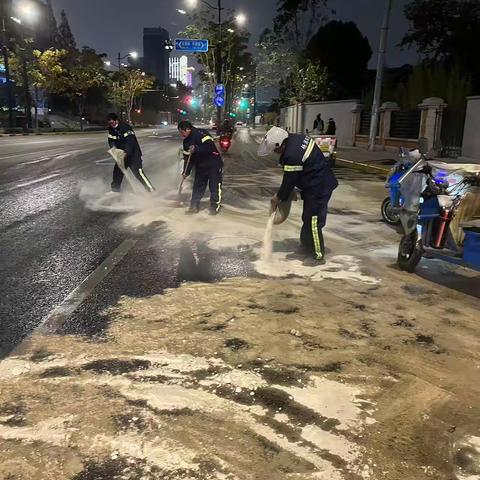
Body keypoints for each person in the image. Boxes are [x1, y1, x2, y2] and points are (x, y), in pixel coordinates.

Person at [258, 127, 338, 264]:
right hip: (313, 183)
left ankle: (317, 255)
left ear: (281, 144)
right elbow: (300, 170)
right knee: (307, 217)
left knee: (313, 221)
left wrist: (278, 197)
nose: (275, 152)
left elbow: (289, 180)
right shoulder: (295, 138)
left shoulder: (291, 154)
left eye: (275, 149)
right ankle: (306, 247)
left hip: (319, 187)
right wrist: (293, 189)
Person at [178, 120, 223, 215]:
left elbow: (210, 147)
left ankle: (214, 207)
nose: (181, 134)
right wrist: (186, 171)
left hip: (213, 163)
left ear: (188, 129)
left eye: (182, 132)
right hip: (200, 165)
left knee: (214, 186)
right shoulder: (186, 142)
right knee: (198, 186)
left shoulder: (201, 133)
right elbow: (188, 158)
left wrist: (196, 149)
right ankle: (194, 206)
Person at [106, 113, 155, 193]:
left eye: (112, 123)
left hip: (133, 155)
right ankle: (115, 190)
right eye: (109, 123)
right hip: (122, 156)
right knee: (117, 172)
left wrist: (126, 152)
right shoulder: (111, 129)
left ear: (116, 120)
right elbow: (111, 140)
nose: (111, 125)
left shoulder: (125, 127)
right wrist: (114, 149)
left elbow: (130, 141)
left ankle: (151, 190)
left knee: (138, 174)